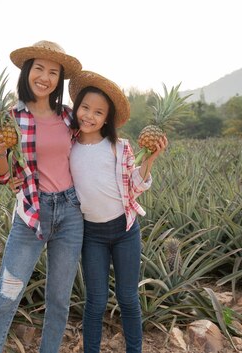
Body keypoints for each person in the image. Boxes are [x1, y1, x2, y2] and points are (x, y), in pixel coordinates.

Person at [0, 40, 84, 353]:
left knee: (59, 302)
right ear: (27, 72)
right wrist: (0, 149)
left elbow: (87, 155)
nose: (45, 77)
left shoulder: (68, 117)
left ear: (59, 80)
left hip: (70, 213)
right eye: (39, 68)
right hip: (30, 214)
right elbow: (1, 175)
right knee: (6, 298)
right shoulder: (10, 118)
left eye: (53, 72)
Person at [68, 71, 167, 353]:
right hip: (92, 235)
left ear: (107, 119)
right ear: (77, 109)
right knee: (96, 301)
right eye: (85, 108)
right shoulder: (69, 147)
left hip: (125, 230)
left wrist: (150, 160)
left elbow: (133, 186)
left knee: (128, 298)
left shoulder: (119, 147)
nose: (89, 115)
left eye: (98, 112)